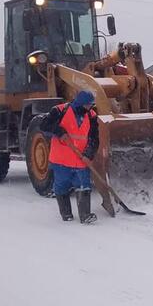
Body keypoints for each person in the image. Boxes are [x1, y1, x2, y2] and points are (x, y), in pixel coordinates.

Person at [40, 90, 99, 223]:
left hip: (81, 160)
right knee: (61, 186)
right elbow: (44, 125)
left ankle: (85, 215)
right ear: (80, 103)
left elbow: (94, 138)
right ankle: (66, 214)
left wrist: (89, 154)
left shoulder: (91, 116)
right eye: (87, 105)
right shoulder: (60, 110)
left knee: (84, 185)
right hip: (62, 160)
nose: (89, 108)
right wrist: (59, 131)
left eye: (90, 105)